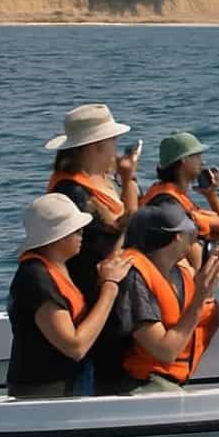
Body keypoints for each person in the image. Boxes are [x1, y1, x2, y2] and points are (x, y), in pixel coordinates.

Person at [6, 194, 133, 399]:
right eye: (77, 230)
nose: (82, 234)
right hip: (46, 391)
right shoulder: (36, 278)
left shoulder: (58, 267)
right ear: (59, 236)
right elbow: (75, 347)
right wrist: (109, 288)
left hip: (71, 383)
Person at [113, 199, 219, 394]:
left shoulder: (179, 270)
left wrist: (211, 281)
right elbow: (164, 352)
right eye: (188, 233)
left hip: (174, 379)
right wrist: (200, 297)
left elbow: (197, 314)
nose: (194, 238)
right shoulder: (134, 278)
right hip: (144, 381)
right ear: (176, 238)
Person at [44, 104, 140, 303]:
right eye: (113, 140)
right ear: (97, 145)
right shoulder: (72, 192)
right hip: (94, 290)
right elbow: (126, 227)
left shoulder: (104, 177)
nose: (116, 147)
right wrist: (129, 178)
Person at [140, 132, 219, 268]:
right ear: (183, 159)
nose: (203, 162)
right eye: (197, 156)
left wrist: (210, 195)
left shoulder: (161, 191)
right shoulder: (171, 203)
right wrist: (211, 195)